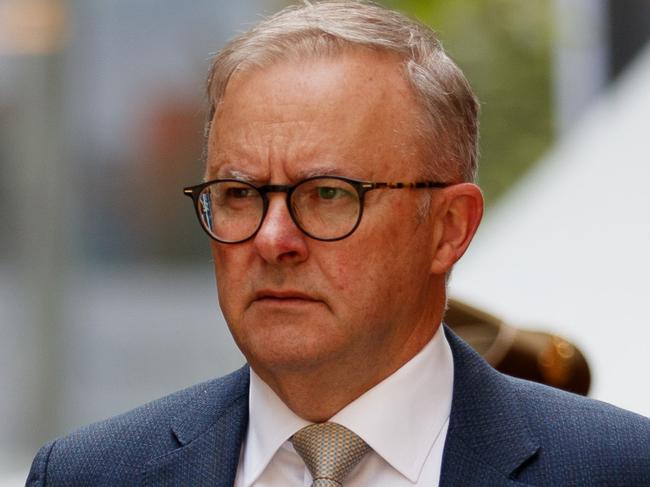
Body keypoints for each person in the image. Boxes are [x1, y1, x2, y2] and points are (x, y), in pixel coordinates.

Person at [27, 1, 650, 486]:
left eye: (328, 195)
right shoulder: (92, 476)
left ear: (448, 228)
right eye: (240, 194)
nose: (272, 240)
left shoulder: (617, 470)